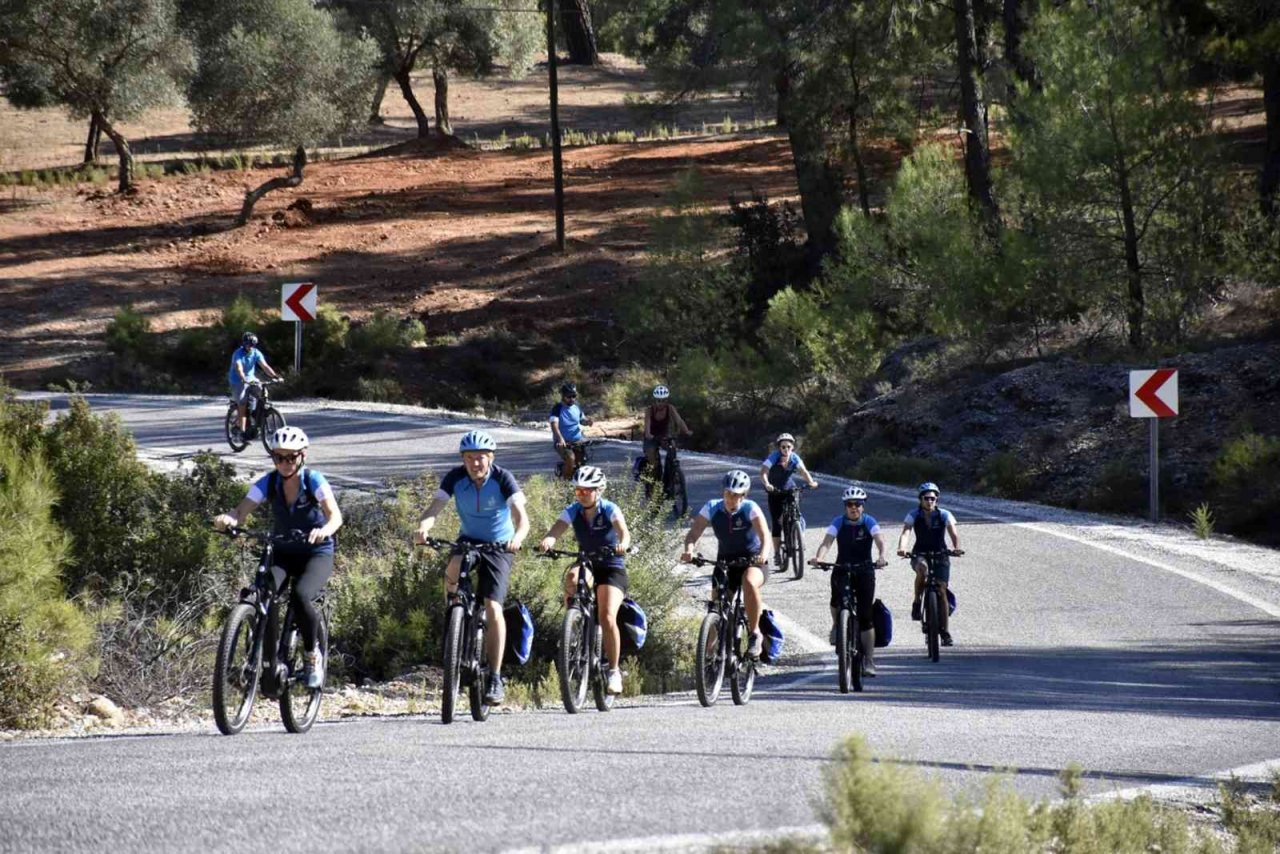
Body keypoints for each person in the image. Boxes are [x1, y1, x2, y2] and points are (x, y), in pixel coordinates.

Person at [214, 426, 342, 689]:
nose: (285, 463)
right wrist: (229, 519)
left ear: (302, 456)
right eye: (279, 457)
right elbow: (242, 510)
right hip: (283, 551)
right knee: (264, 592)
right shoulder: (269, 482)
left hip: (315, 552)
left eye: (291, 457)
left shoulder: (313, 480)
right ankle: (267, 660)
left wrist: (324, 531)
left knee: (300, 596)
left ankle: (312, 655)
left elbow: (335, 516)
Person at [415, 430, 529, 704]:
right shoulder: (455, 477)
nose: (475, 463)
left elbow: (522, 518)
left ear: (490, 458)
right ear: (463, 459)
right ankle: (455, 620)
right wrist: (423, 527)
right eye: (469, 458)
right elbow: (434, 508)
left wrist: (517, 538)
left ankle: (495, 677)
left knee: (493, 607)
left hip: (499, 546)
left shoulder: (503, 478)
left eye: (480, 458)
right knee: (452, 573)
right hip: (468, 540)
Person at [537, 465, 632, 694]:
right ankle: (573, 623)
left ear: (599, 490)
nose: (582, 494)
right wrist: (549, 540)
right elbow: (556, 530)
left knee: (607, 616)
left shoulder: (609, 508)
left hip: (611, 567)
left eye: (587, 490)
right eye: (578, 490)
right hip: (587, 563)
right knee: (572, 576)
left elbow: (624, 532)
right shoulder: (573, 510)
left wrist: (623, 544)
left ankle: (614, 671)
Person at [680, 470, 773, 658]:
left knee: (749, 581)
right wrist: (689, 550)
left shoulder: (750, 508)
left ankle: (755, 633)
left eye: (736, 495)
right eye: (728, 493)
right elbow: (693, 533)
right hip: (725, 562)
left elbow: (765, 536)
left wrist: (762, 555)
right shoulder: (712, 507)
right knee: (716, 605)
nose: (731, 498)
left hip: (752, 560)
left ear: (743, 495)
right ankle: (709, 654)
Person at [810, 485, 887, 675]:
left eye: (858, 504)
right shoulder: (838, 522)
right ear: (845, 506)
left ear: (863, 506)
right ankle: (838, 625)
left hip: (865, 569)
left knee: (866, 617)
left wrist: (881, 556)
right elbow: (827, 542)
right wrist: (819, 557)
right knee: (835, 601)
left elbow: (879, 540)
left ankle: (869, 661)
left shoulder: (869, 521)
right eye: (850, 504)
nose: (854, 508)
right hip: (842, 568)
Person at [896, 481, 962, 646]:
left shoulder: (945, 514)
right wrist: (902, 548)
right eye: (926, 498)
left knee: (941, 589)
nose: (930, 501)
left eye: (933, 498)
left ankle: (945, 632)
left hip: (941, 554)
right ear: (920, 499)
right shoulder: (914, 515)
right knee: (923, 569)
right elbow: (906, 532)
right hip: (920, 553)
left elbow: (953, 533)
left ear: (937, 499)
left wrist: (956, 548)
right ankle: (917, 601)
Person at [759, 433, 818, 566]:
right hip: (774, 490)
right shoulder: (774, 457)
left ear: (792, 447)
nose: (786, 449)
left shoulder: (794, 458)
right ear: (779, 448)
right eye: (783, 447)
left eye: (789, 447)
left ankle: (799, 536)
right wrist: (767, 484)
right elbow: (763, 472)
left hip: (789, 488)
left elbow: (803, 471)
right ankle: (777, 553)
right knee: (776, 523)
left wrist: (811, 482)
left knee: (796, 513)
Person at [227, 332, 281, 439]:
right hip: (238, 381)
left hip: (251, 379)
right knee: (242, 404)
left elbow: (265, 366)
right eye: (248, 344)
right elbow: (239, 367)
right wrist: (243, 378)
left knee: (262, 392)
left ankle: (258, 414)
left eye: (253, 345)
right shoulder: (238, 353)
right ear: (244, 344)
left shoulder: (256, 353)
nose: (250, 347)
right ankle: (242, 431)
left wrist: (275, 376)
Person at [643, 385, 692, 484]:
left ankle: (671, 474)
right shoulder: (649, 410)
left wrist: (686, 431)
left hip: (663, 436)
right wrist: (649, 435)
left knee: (672, 448)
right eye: (658, 400)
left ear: (667, 400)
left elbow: (679, 421)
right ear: (655, 400)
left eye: (663, 400)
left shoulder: (670, 408)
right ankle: (652, 482)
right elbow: (647, 428)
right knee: (652, 459)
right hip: (651, 437)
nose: (661, 403)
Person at [549, 382, 592, 481]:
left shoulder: (576, 407)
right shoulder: (557, 408)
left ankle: (576, 481)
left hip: (577, 440)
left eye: (574, 396)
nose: (572, 399)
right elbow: (554, 425)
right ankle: (565, 483)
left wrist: (588, 422)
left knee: (582, 462)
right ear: (563, 396)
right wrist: (560, 439)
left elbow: (582, 420)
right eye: (569, 396)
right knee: (570, 458)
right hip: (563, 442)